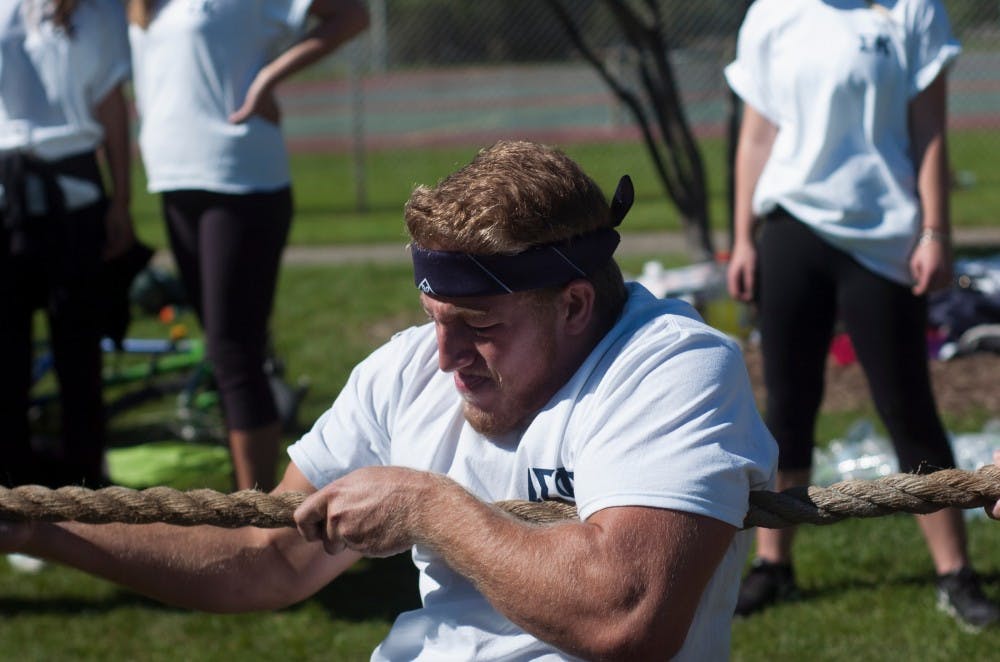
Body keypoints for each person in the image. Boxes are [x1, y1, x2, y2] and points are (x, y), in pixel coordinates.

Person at [1, 140, 778, 660]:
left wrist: (429, 509)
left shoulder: (671, 368)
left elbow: (628, 613)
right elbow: (262, 559)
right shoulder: (409, 369)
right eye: (435, 320)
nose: (444, 358)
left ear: (574, 305)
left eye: (478, 326)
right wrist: (38, 527)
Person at [724, 0, 999, 630]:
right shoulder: (772, 13)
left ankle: (955, 573)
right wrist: (742, 237)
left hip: (884, 239)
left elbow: (930, 130)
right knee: (788, 403)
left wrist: (935, 230)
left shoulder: (911, 11)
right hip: (792, 228)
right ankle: (774, 566)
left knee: (908, 404)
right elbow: (757, 136)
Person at [125, 0, 370, 491]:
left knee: (234, 351)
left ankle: (256, 519)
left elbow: (352, 15)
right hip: (174, 180)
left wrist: (268, 78)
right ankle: (256, 508)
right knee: (226, 350)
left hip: (240, 180)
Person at [0, 0, 134, 488]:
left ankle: (83, 492)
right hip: (7, 191)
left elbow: (111, 105)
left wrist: (122, 198)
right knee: (7, 359)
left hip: (74, 192)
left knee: (79, 353)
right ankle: (13, 498)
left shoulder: (98, 12)